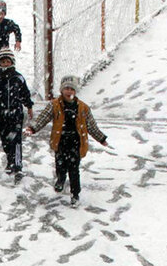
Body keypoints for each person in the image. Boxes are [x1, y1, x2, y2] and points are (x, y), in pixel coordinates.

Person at [26, 75, 110, 206]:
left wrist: (101, 138)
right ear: (61, 90)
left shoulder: (83, 108)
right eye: (66, 89)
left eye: (71, 89)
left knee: (74, 169)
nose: (69, 91)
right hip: (60, 141)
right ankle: (60, 179)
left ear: (75, 91)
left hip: (76, 142)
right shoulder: (54, 105)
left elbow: (91, 126)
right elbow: (43, 118)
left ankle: (75, 194)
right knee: (60, 164)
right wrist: (33, 128)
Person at [0, 46, 34, 178]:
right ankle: (10, 162)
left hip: (16, 114)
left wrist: (29, 106)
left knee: (17, 140)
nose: (5, 64)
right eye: (3, 62)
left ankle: (18, 165)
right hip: (2, 114)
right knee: (6, 140)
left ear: (12, 62)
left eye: (7, 61)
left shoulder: (18, 78)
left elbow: (25, 94)